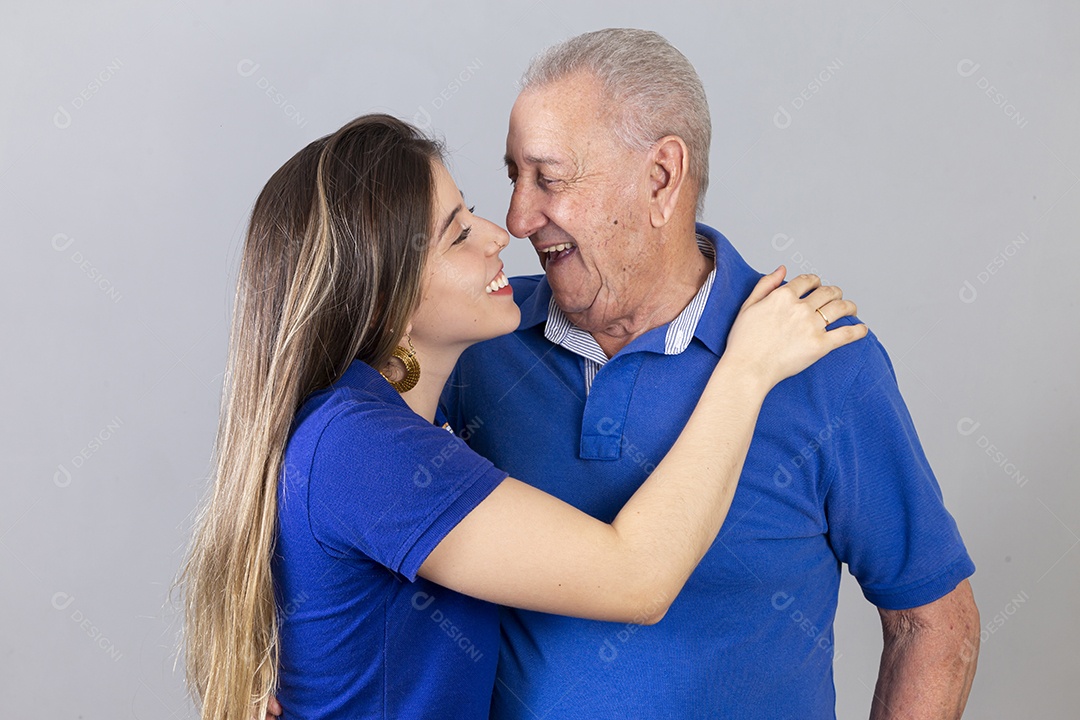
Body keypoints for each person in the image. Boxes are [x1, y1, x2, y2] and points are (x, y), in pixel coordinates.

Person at [178, 114, 864, 719]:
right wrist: (747, 369)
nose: (501, 232)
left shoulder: (383, 429)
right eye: (456, 236)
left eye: (470, 210)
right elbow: (638, 577)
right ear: (388, 300)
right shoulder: (364, 447)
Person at [441, 29, 981, 719]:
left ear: (662, 178)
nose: (516, 219)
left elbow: (933, 623)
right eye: (513, 176)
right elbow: (348, 480)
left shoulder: (821, 360)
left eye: (548, 178)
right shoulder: (479, 339)